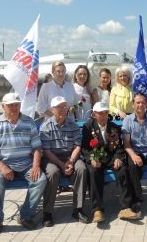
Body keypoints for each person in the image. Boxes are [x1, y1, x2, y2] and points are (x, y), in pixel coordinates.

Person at [0, 93, 47, 237]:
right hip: (3, 164)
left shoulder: (29, 122)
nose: (14, 107)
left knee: (40, 180)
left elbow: (37, 147)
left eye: (16, 104)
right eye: (10, 105)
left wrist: (36, 165)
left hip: (26, 164)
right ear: (3, 106)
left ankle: (25, 215)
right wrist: (2, 167)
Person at [82, 102, 140, 222]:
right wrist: (91, 159)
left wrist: (118, 157)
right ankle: (97, 210)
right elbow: (85, 148)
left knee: (122, 169)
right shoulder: (88, 127)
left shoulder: (114, 127)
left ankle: (126, 207)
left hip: (111, 157)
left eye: (105, 113)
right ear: (94, 114)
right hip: (96, 158)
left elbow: (119, 146)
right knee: (93, 172)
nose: (103, 116)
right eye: (100, 113)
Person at [40, 96, 88, 226]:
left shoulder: (72, 123)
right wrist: (62, 165)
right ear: (52, 109)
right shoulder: (46, 126)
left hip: (70, 156)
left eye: (64, 106)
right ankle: (47, 212)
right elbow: (47, 151)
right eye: (58, 107)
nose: (62, 109)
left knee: (81, 168)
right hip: (52, 158)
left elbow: (78, 145)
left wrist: (71, 161)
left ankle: (78, 210)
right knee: (52, 172)